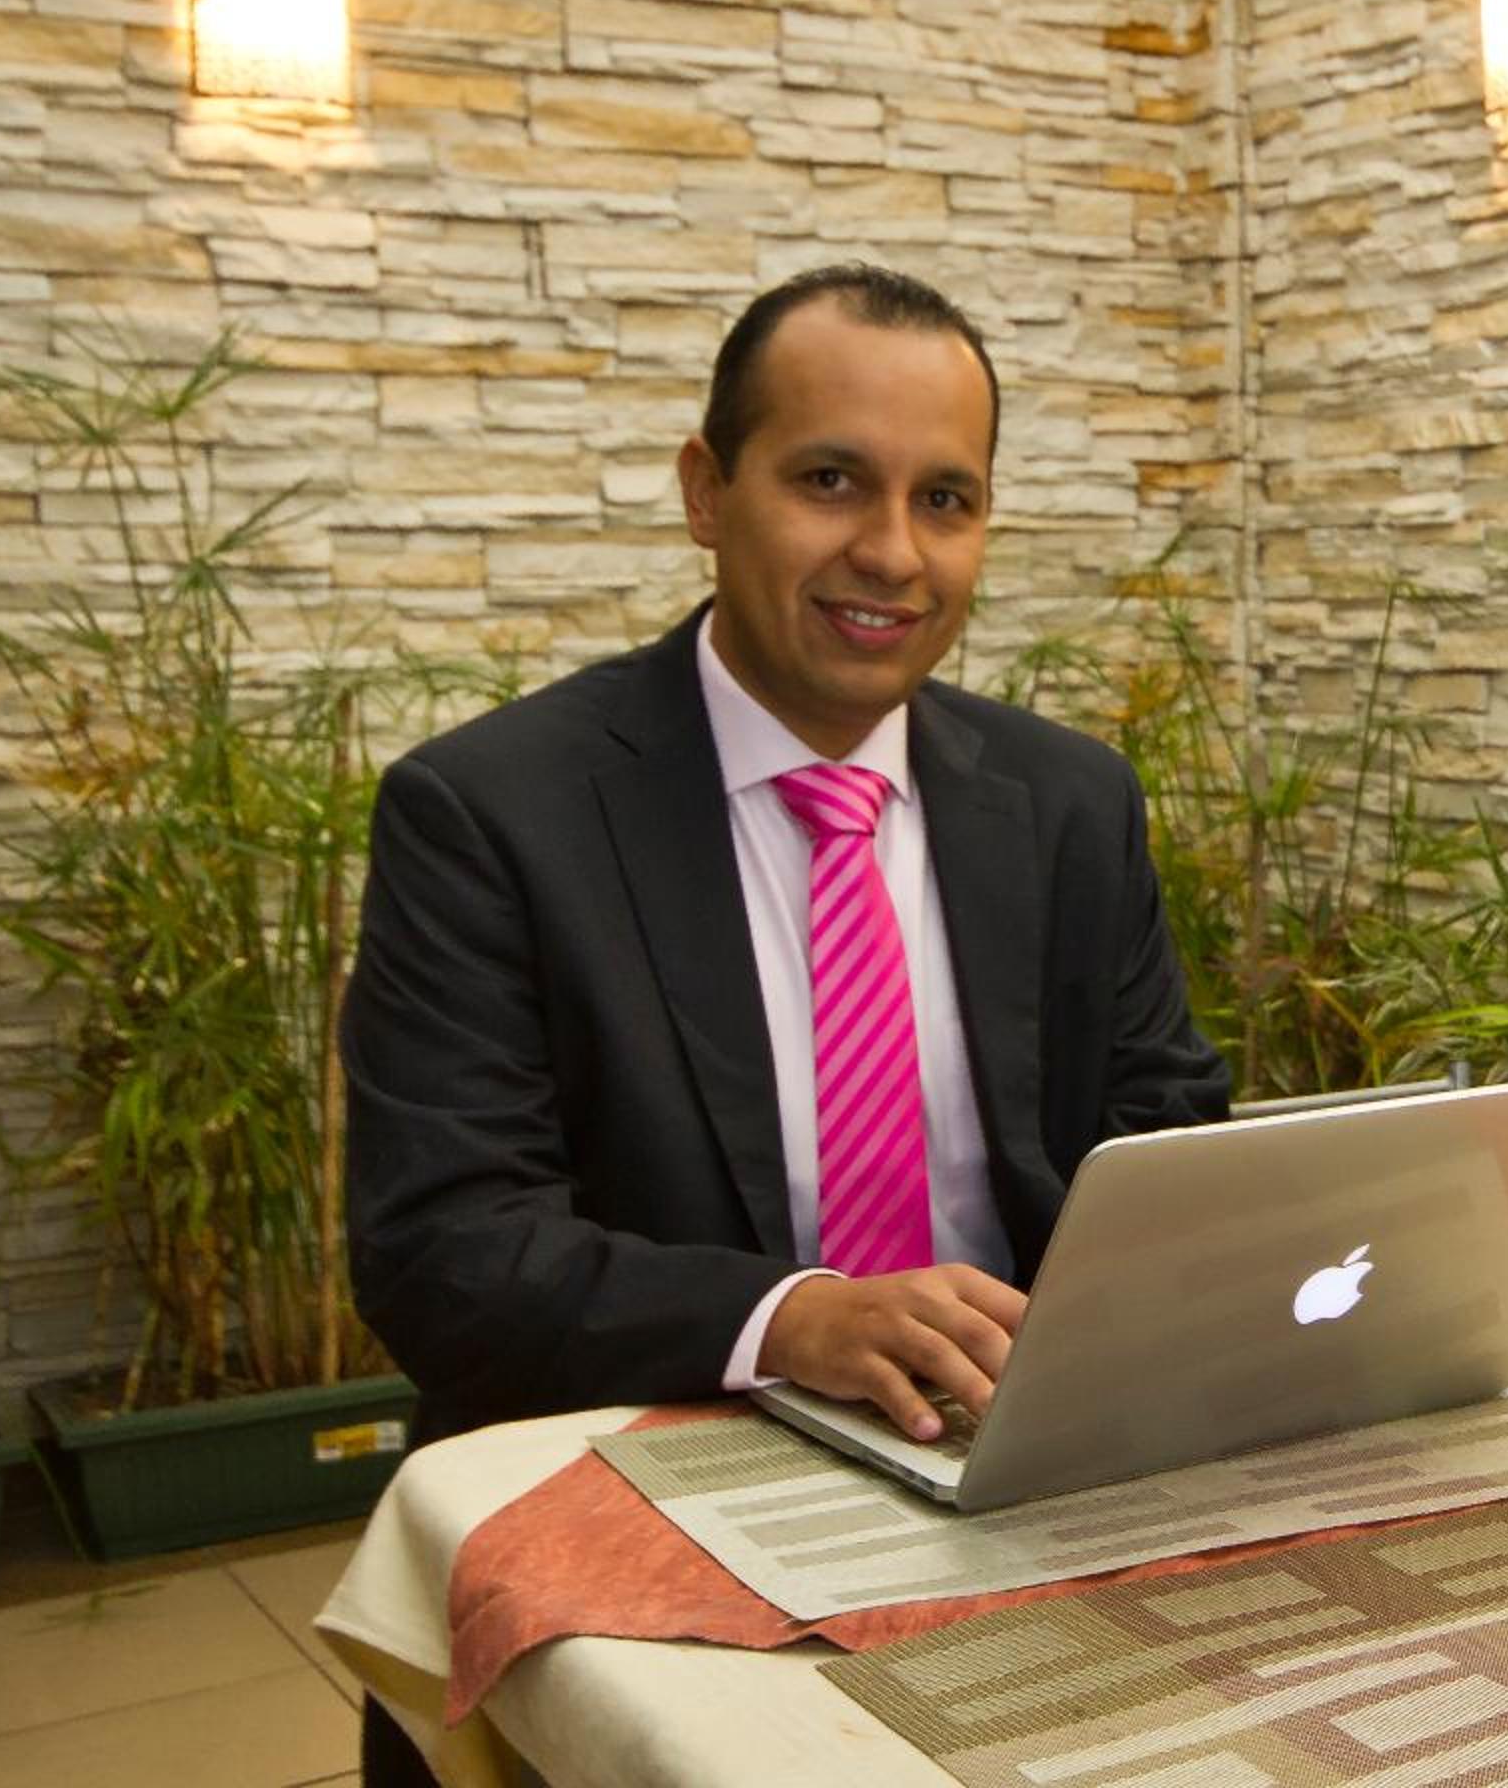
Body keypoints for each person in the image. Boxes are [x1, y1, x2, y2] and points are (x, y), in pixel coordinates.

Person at [341, 261, 1231, 1454]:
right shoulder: (490, 814)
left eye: (945, 499)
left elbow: (1167, 1150)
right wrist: (793, 1319)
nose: (892, 552)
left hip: (1012, 1444)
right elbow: (446, 1253)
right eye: (830, 481)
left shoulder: (1071, 802)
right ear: (707, 492)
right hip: (652, 1446)